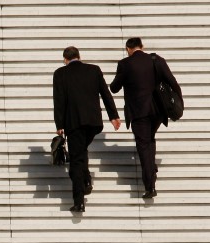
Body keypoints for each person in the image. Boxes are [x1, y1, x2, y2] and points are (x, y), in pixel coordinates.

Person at [110, 37, 182, 199]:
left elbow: (114, 88)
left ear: (128, 49)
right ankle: (151, 167)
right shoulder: (156, 60)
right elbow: (172, 82)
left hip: (138, 111)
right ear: (142, 47)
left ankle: (150, 185)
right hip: (157, 110)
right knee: (150, 138)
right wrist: (179, 102)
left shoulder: (125, 64)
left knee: (143, 145)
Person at [53, 46, 121, 213]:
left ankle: (79, 200)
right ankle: (87, 180)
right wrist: (113, 116)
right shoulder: (94, 70)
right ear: (79, 56)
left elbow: (59, 100)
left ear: (65, 59)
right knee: (81, 150)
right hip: (93, 122)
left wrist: (59, 124)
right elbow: (106, 94)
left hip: (74, 123)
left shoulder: (60, 73)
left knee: (76, 160)